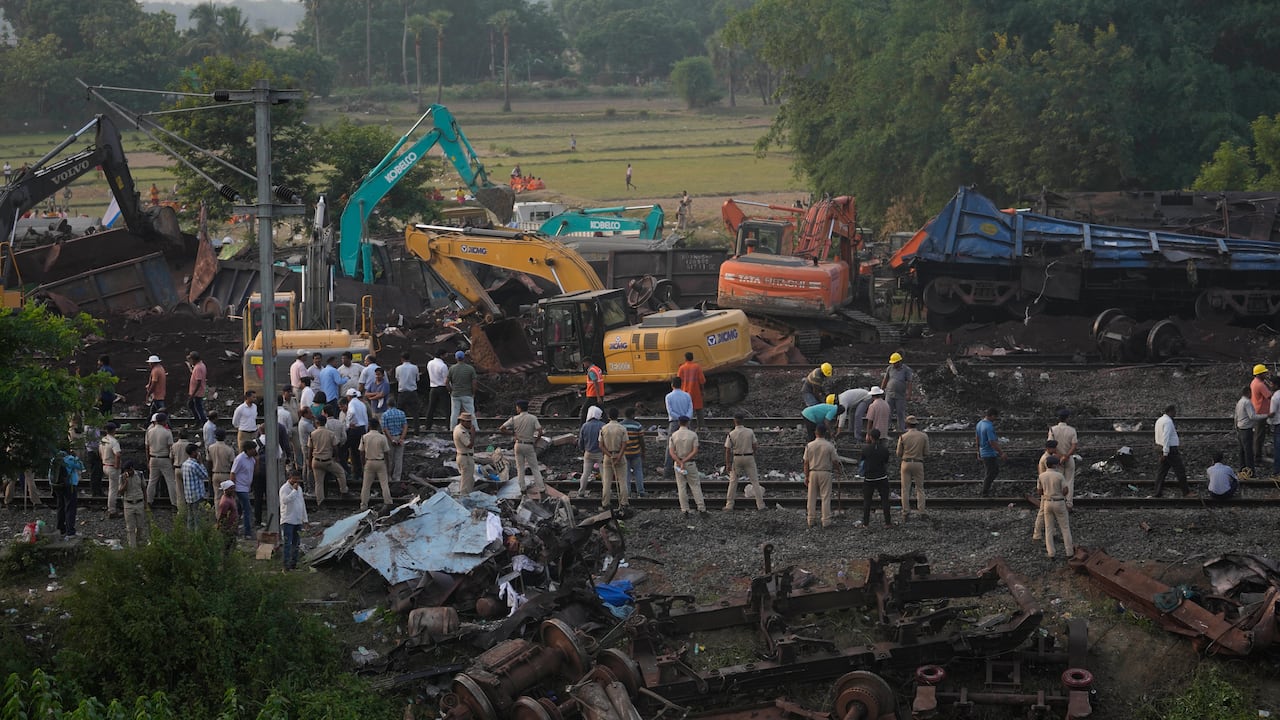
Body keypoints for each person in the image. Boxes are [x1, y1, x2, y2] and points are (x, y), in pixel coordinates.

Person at [500, 400, 544, 493]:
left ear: (519, 408)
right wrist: (536, 441)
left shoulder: (514, 418)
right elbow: (540, 431)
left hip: (518, 444)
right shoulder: (533, 418)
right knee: (535, 468)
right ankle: (541, 489)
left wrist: (512, 433)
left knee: (520, 468)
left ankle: (522, 489)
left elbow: (502, 428)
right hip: (529, 445)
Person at [724, 412, 764, 511]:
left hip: (737, 458)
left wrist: (728, 463)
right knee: (755, 481)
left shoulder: (731, 434)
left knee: (733, 481)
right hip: (749, 457)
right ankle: (761, 505)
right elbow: (755, 445)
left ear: (734, 421)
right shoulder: (750, 432)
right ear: (743, 420)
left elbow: (728, 450)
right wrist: (752, 454)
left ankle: (729, 505)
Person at [668, 416, 707, 517]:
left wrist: (679, 462)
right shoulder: (693, 435)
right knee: (695, 485)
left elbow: (671, 452)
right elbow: (695, 450)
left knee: (681, 487)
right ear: (688, 422)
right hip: (690, 463)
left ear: (679, 422)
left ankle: (685, 510)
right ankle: (701, 509)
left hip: (678, 464)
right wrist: (685, 460)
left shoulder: (674, 435)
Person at [1037, 455, 1073, 558]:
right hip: (1059, 502)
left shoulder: (1041, 476)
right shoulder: (1059, 476)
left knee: (1049, 528)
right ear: (1054, 465)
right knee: (1065, 528)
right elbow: (1065, 490)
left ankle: (1051, 553)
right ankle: (1069, 552)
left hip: (1047, 502)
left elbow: (1039, 491)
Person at [308, 411, 347, 504]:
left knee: (319, 483)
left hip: (316, 460)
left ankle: (320, 502)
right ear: (325, 422)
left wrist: (309, 461)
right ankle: (343, 491)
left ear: (317, 422)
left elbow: (310, 449)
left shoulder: (312, 434)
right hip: (328, 460)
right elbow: (335, 447)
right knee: (341, 473)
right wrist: (336, 457)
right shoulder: (330, 433)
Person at [804, 425, 838, 529]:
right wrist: (838, 470)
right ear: (825, 433)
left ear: (816, 433)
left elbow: (806, 462)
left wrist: (806, 476)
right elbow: (835, 461)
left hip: (813, 472)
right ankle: (826, 521)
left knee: (811, 497)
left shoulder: (809, 445)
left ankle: (811, 519)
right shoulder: (829, 446)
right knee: (825, 497)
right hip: (825, 472)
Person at [858, 428, 893, 528]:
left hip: (869, 478)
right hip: (882, 476)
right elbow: (886, 461)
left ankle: (866, 523)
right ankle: (888, 522)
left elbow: (862, 460)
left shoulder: (866, 449)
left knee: (867, 501)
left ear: (870, 437)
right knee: (885, 500)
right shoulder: (884, 449)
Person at [895, 415, 929, 518]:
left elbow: (898, 453)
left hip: (906, 462)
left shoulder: (903, 437)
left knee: (905, 489)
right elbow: (926, 452)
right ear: (916, 424)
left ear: (907, 424)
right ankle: (922, 511)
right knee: (920, 488)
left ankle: (906, 511)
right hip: (918, 463)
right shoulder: (923, 436)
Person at [1154, 404, 1190, 497]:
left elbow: (1158, 436)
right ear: (1170, 411)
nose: (1175, 413)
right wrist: (1166, 453)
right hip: (1170, 450)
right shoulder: (1168, 422)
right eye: (1174, 411)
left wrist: (1162, 451)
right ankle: (1186, 492)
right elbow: (1166, 437)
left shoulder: (1159, 420)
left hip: (1160, 447)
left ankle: (1157, 492)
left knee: (1162, 472)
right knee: (1180, 470)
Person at [598, 407, 630, 511]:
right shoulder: (622, 428)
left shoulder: (604, 428)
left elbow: (601, 445)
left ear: (608, 416)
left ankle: (605, 503)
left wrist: (610, 455)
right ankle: (624, 503)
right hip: (620, 456)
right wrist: (619, 456)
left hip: (608, 457)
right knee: (622, 481)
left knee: (606, 482)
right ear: (618, 416)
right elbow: (624, 445)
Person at [145, 413, 177, 509]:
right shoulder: (167, 432)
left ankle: (149, 501)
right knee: (170, 481)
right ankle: (174, 503)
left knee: (152, 481)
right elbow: (171, 448)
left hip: (153, 458)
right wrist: (172, 461)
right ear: (163, 421)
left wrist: (148, 460)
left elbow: (147, 447)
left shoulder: (149, 432)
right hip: (164, 458)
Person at [664, 377, 694, 477]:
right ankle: (686, 467)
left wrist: (679, 418)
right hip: (686, 422)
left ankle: (668, 470)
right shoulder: (687, 395)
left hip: (674, 422)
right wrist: (686, 418)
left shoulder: (668, 396)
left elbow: (670, 412)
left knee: (671, 446)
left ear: (672, 385)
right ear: (681, 384)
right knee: (687, 445)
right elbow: (690, 409)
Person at [52, 448, 84, 540]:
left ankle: (61, 529)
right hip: (69, 486)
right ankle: (70, 531)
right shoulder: (70, 459)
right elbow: (81, 466)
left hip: (57, 486)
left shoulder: (54, 459)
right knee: (70, 507)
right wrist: (76, 457)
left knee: (60, 507)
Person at [280, 470, 307, 571]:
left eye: (297, 479)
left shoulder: (299, 489)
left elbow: (302, 503)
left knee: (296, 543)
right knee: (288, 543)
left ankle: (293, 564)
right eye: (294, 479)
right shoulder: (284, 489)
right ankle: (286, 565)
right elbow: (285, 500)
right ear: (289, 478)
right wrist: (294, 491)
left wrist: (305, 519)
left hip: (297, 520)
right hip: (288, 520)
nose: (296, 481)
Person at [880, 353, 914, 433]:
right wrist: (881, 390)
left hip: (900, 395)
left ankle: (901, 429)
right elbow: (885, 379)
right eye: (893, 363)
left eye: (895, 363)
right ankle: (886, 429)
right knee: (888, 411)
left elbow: (909, 382)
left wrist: (909, 394)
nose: (894, 364)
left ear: (899, 361)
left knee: (900, 412)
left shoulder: (906, 370)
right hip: (889, 394)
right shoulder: (890, 368)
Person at [1047, 409, 1079, 492]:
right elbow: (1074, 446)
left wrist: (1060, 456)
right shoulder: (1072, 430)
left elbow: (1050, 444)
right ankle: (1068, 502)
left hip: (1056, 459)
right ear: (1067, 418)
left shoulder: (1053, 430)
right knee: (1069, 481)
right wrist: (1066, 456)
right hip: (1068, 458)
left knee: (1057, 480)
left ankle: (1059, 499)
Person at [976, 407, 1006, 496]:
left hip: (983, 452)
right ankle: (985, 491)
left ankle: (986, 489)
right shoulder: (989, 426)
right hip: (989, 453)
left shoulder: (979, 424)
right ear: (992, 416)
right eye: (995, 417)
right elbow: (992, 442)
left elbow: (977, 438)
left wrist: (978, 451)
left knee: (992, 471)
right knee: (992, 472)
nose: (995, 419)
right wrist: (1002, 453)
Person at [577, 405, 605, 497]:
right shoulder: (602, 425)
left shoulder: (585, 426)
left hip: (588, 453)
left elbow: (581, 441)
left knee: (585, 474)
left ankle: (581, 492)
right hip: (600, 453)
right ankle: (606, 492)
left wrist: (582, 450)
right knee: (604, 474)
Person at [231, 441, 257, 539]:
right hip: (240, 487)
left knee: (238, 510)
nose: (255, 451)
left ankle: (234, 529)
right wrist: (232, 488)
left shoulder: (252, 460)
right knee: (247, 509)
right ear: (248, 450)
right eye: (253, 449)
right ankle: (247, 532)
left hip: (246, 488)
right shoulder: (240, 459)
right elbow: (233, 473)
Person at [448, 350, 479, 432]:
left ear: (456, 358)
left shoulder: (452, 368)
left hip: (455, 394)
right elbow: (474, 382)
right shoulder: (470, 368)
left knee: (454, 413)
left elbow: (446, 382)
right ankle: (475, 429)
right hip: (467, 394)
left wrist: (451, 391)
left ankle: (452, 429)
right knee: (471, 413)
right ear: (464, 358)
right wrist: (473, 392)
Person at [180, 443, 208, 530]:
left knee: (190, 516)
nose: (198, 453)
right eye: (197, 451)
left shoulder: (184, 464)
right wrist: (201, 463)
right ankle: (197, 537)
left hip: (188, 494)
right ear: (193, 452)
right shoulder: (195, 465)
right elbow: (205, 475)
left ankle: (190, 536)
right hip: (197, 494)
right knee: (198, 518)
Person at [119, 461, 146, 548]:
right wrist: (126, 482)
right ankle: (132, 548)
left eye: (129, 470)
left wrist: (146, 502)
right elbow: (120, 492)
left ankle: (138, 542)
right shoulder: (122, 477)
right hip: (128, 504)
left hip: (139, 502)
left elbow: (144, 488)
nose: (128, 472)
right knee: (130, 528)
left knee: (140, 526)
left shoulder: (139, 474)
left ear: (132, 468)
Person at [1235, 386, 1262, 474]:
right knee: (1248, 451)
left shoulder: (1239, 402)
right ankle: (1250, 471)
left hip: (1240, 429)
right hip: (1246, 429)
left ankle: (1241, 469)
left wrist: (1236, 428)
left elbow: (1236, 417)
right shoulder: (1247, 402)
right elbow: (1252, 416)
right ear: (1248, 392)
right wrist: (1266, 416)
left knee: (1242, 451)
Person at [345, 389, 370, 483]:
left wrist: (348, 424)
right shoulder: (362, 404)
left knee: (354, 452)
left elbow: (351, 412)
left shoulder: (351, 403)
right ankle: (363, 472)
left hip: (355, 430)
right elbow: (366, 418)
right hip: (362, 429)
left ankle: (356, 473)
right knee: (362, 451)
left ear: (349, 396)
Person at [677, 352, 707, 429]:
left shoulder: (682, 368)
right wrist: (702, 390)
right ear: (692, 358)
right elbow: (702, 381)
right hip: (696, 392)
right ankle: (701, 427)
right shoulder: (697, 367)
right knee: (699, 410)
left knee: (687, 410)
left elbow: (678, 380)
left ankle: (688, 427)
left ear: (685, 358)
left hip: (685, 392)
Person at [381, 396, 407, 485]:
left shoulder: (385, 415)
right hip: (399, 436)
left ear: (387, 405)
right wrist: (401, 438)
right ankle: (397, 478)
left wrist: (391, 439)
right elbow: (405, 426)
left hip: (389, 438)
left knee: (389, 458)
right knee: (399, 458)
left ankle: (389, 477)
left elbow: (385, 428)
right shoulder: (401, 413)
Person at [99, 422, 122, 519]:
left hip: (105, 465)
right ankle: (112, 510)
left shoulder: (103, 440)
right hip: (112, 466)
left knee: (111, 487)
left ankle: (112, 507)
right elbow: (118, 454)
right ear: (114, 430)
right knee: (113, 489)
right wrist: (117, 464)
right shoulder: (114, 441)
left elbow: (100, 453)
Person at [622, 406, 646, 497]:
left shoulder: (621, 425)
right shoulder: (637, 425)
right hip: (636, 453)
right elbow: (641, 440)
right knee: (638, 472)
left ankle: (627, 493)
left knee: (626, 473)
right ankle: (641, 491)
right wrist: (643, 452)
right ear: (632, 415)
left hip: (624, 453)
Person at [1251, 364, 1273, 466]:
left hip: (1258, 411)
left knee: (1259, 435)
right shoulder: (1260, 385)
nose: (1266, 374)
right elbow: (1270, 396)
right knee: (1259, 436)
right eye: (1264, 372)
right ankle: (1257, 458)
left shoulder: (1255, 382)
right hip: (1260, 413)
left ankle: (1258, 456)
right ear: (1259, 374)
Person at [425, 349, 450, 430]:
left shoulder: (430, 363)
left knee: (431, 407)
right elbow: (446, 379)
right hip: (442, 388)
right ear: (442, 355)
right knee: (447, 408)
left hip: (433, 387)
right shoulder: (443, 366)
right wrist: (449, 389)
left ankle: (428, 425)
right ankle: (448, 425)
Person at [208, 428, 235, 501]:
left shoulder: (210, 448)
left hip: (215, 473)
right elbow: (233, 464)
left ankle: (218, 512)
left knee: (217, 497)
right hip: (226, 474)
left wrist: (210, 475)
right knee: (227, 497)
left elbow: (209, 462)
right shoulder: (229, 449)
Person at [215, 480, 239, 556]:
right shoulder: (225, 502)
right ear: (226, 490)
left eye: (233, 488)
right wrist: (220, 525)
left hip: (232, 525)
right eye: (231, 488)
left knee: (232, 543)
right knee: (227, 545)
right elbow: (222, 515)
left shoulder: (230, 497)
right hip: (228, 527)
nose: (233, 490)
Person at [454, 412, 476, 495]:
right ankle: (464, 498)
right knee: (466, 483)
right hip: (465, 458)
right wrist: (473, 434)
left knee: (469, 480)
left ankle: (467, 496)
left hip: (464, 457)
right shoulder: (461, 432)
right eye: (468, 422)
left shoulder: (458, 428)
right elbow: (469, 445)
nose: (470, 424)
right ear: (462, 421)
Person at [395, 351, 420, 418]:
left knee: (399, 412)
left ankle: (400, 427)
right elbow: (417, 379)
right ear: (410, 358)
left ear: (402, 359)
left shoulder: (398, 368)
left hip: (402, 392)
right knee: (415, 412)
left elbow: (397, 379)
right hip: (412, 392)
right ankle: (416, 428)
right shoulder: (415, 367)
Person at [186, 351, 208, 424]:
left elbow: (199, 382)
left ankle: (201, 421)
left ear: (194, 359)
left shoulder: (198, 368)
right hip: (197, 392)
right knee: (192, 405)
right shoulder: (201, 365)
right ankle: (199, 420)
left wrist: (193, 395)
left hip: (196, 393)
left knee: (198, 408)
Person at [581, 357, 605, 423]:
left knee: (584, 410)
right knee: (601, 411)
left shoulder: (591, 371)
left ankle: (582, 426)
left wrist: (598, 397)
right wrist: (585, 390)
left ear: (587, 362)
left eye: (584, 363)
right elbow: (593, 383)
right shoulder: (597, 369)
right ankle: (606, 423)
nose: (584, 365)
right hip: (599, 393)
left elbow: (595, 383)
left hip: (593, 395)